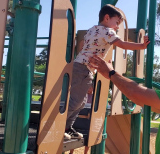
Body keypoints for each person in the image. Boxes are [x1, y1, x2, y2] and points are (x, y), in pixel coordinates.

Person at [64, 4, 150, 139]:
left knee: (80, 102)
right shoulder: (107, 31)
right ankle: (58, 125)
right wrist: (142, 46)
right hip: (83, 68)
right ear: (107, 17)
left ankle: (67, 127)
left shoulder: (92, 29)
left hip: (81, 67)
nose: (117, 27)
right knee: (76, 101)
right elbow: (122, 44)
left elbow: (82, 45)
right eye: (116, 23)